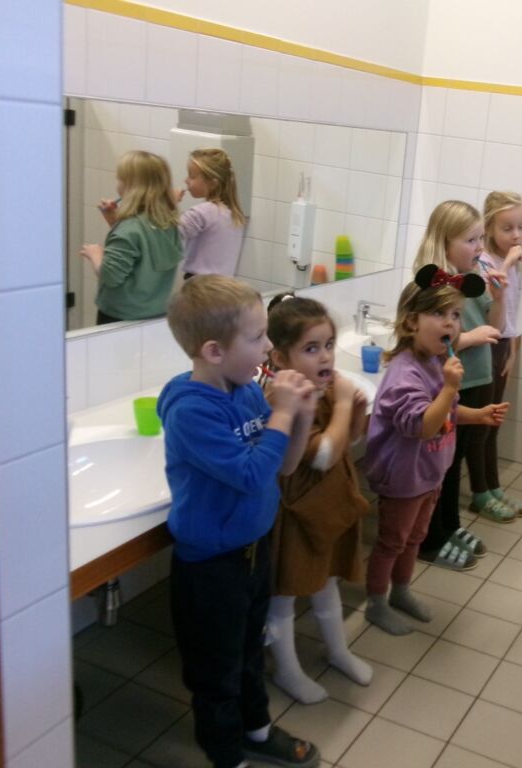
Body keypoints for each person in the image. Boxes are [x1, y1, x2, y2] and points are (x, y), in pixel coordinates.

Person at [158, 275, 321, 768]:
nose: (268, 346)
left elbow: (283, 467)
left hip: (253, 552)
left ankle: (257, 730)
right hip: (211, 568)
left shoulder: (247, 391)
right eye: (256, 337)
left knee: (251, 649)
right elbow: (250, 474)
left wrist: (302, 414)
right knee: (216, 671)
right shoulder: (191, 410)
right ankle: (227, 756)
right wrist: (281, 414)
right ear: (213, 350)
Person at [363, 266, 509, 635]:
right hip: (403, 478)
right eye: (438, 313)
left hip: (428, 473)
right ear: (411, 322)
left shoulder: (433, 362)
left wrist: (477, 414)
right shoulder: (405, 374)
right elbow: (423, 425)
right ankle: (376, 604)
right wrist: (448, 388)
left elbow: (446, 412)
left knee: (415, 537)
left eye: (456, 315)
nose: (450, 323)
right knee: (392, 542)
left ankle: (401, 591)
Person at [262, 293, 373, 704]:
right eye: (311, 348)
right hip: (295, 512)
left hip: (327, 507)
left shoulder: (323, 387)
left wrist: (352, 414)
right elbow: (324, 455)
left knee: (326, 580)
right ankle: (286, 669)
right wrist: (344, 404)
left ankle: (337, 650)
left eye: (328, 344)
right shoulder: (281, 398)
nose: (325, 356)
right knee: (285, 591)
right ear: (279, 358)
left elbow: (348, 442)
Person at [412, 201, 512, 573]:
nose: (480, 247)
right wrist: (469, 338)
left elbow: (495, 326)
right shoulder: (430, 286)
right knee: (442, 465)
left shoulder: (472, 279)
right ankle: (431, 536)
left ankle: (450, 526)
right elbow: (432, 340)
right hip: (451, 383)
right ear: (445, 241)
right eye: (471, 240)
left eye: (480, 238)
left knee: (455, 463)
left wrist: (499, 298)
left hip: (478, 377)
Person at [80, 149, 182, 324]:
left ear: (130, 187)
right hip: (156, 314)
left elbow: (110, 276)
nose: (117, 184)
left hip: (120, 316)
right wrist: (114, 220)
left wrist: (96, 255)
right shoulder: (168, 223)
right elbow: (145, 249)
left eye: (119, 179)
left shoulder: (128, 230)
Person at [477, 191, 522, 516]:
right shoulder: (485, 262)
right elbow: (489, 309)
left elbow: (512, 314)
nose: (516, 235)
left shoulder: (512, 263)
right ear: (489, 229)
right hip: (484, 346)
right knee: (483, 424)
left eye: (521, 227)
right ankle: (481, 492)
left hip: (502, 346)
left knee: (494, 422)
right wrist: (508, 264)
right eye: (507, 228)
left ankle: (493, 486)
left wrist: (512, 351)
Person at [179, 147, 247, 279]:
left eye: (192, 176)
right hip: (224, 285)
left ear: (213, 183)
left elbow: (169, 234)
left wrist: (169, 203)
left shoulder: (202, 212)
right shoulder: (234, 216)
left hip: (200, 285)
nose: (186, 180)